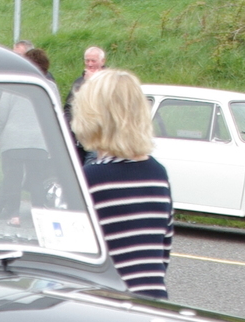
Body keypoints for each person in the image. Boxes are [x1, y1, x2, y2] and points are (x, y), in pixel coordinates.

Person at [73, 68, 173, 300]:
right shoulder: (158, 173)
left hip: (111, 305)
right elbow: (162, 253)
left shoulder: (89, 179)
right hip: (154, 302)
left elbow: (75, 259)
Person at [0, 62, 52, 225]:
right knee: (36, 179)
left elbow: (1, 113)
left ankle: (14, 215)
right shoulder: (50, 86)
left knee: (13, 178)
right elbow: (54, 113)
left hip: (13, 140)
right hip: (39, 140)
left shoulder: (13, 85)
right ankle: (40, 217)